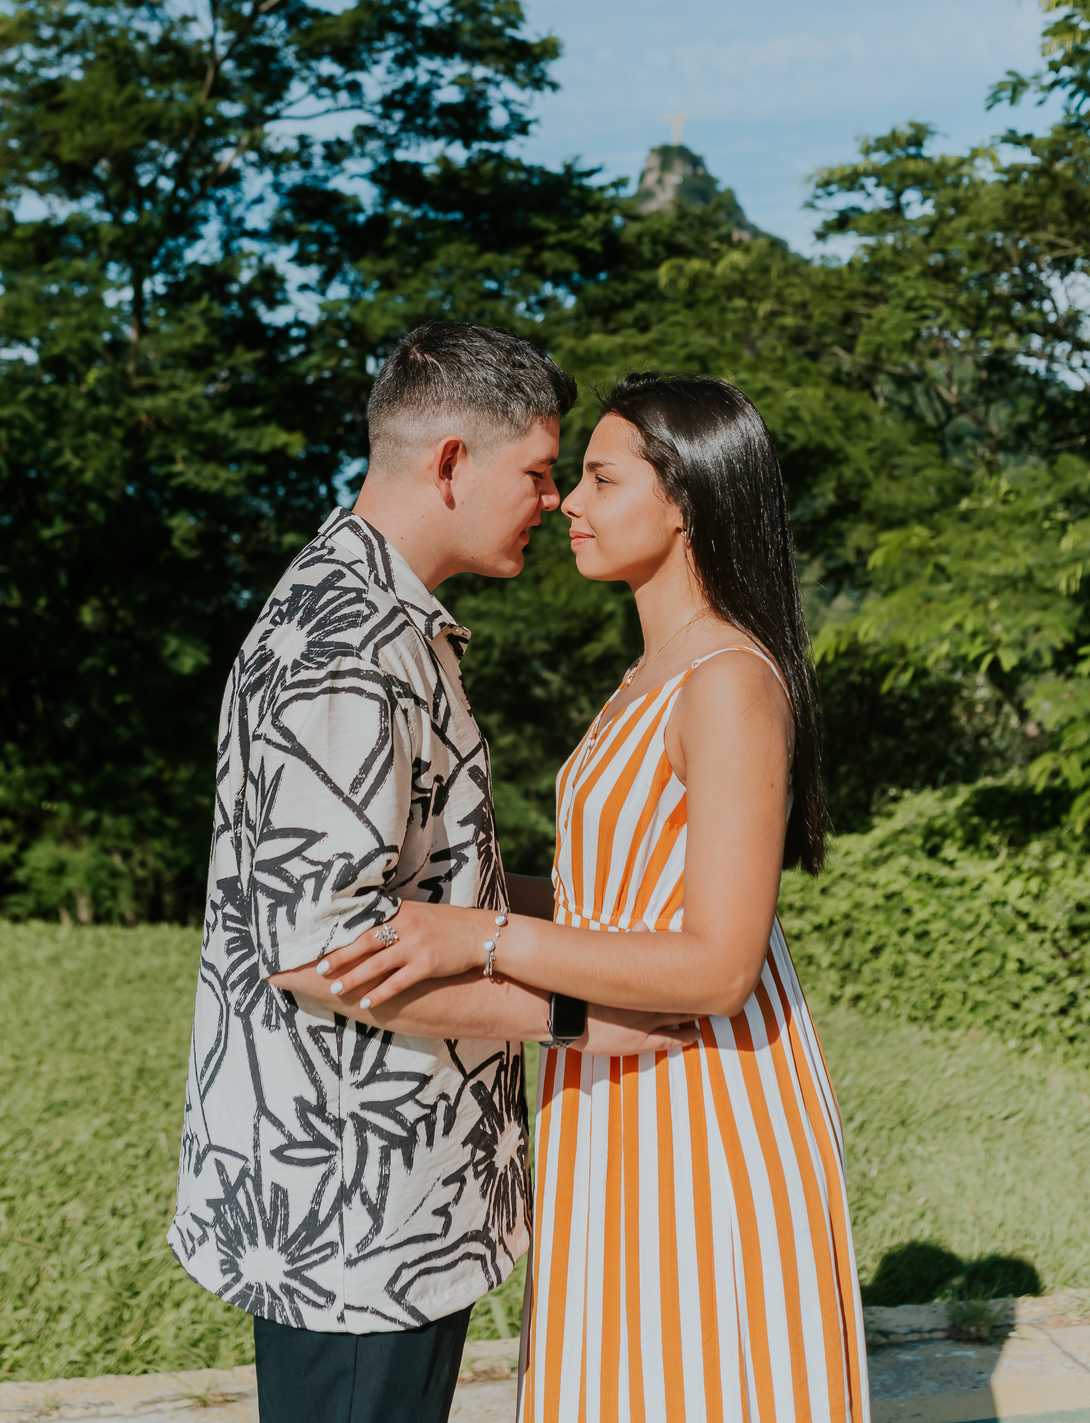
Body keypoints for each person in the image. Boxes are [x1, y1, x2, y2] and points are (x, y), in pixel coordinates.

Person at [319, 372, 871, 1423]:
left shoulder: (727, 680)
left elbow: (716, 962)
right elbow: (614, 893)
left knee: (696, 1382)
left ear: (687, 501)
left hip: (703, 1091)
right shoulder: (650, 672)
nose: (567, 499)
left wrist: (480, 935)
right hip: (617, 1074)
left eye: (600, 478)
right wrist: (434, 890)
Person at [169, 327, 694, 1423]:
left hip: (382, 1190)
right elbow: (322, 947)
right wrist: (580, 1015)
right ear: (451, 461)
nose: (551, 502)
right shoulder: (350, 647)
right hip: (357, 1209)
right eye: (538, 473)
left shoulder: (377, 614)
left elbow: (419, 882)